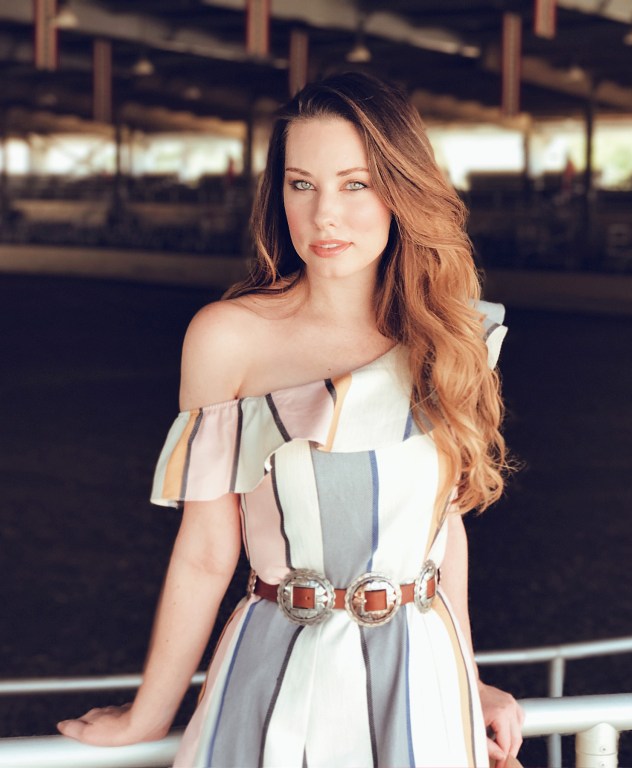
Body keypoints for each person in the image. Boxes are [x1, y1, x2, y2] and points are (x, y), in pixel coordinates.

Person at [57, 72, 524, 768]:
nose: (323, 214)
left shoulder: (448, 336)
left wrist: (469, 675)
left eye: (354, 184)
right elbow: (207, 549)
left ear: (402, 191)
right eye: (301, 184)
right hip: (282, 669)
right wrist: (145, 716)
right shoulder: (228, 337)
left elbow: (439, 528)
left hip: (424, 679)